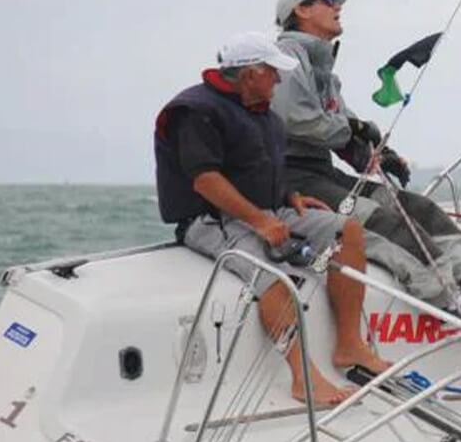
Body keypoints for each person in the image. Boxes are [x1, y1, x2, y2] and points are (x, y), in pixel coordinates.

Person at [269, 0, 461, 323]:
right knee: (380, 219)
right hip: (292, 178)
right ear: (301, 10)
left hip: (322, 172)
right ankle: (446, 302)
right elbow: (299, 120)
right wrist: (354, 130)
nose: (338, 5)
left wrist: (377, 153)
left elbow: (341, 124)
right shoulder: (287, 58)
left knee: (419, 207)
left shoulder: (321, 67)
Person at [152, 32, 392, 405]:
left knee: (347, 231)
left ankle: (349, 346)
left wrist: (289, 198)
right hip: (210, 219)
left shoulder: (265, 116)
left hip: (266, 211)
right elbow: (206, 180)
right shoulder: (195, 111)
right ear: (250, 74)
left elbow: (256, 169)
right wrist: (261, 222)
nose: (279, 81)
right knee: (277, 279)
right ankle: (304, 379)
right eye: (273, 73)